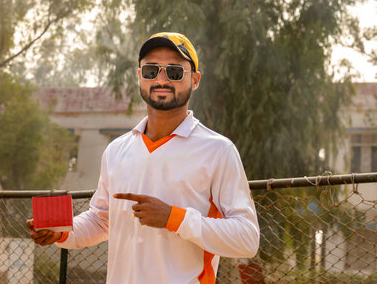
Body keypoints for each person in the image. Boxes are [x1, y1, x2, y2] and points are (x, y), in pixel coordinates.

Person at [27, 32, 260, 283]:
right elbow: (102, 220)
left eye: (174, 71)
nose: (161, 79)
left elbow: (246, 239)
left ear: (195, 80)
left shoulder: (217, 151)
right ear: (140, 76)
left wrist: (174, 218)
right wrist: (61, 232)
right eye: (151, 70)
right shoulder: (116, 151)